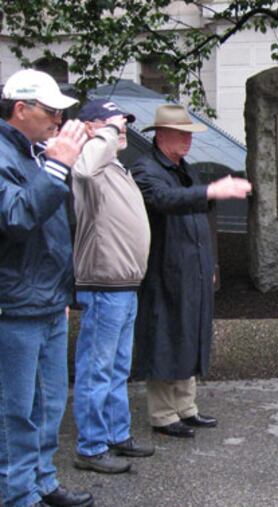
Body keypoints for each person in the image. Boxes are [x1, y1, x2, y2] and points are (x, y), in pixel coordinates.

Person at [0, 69, 93, 507]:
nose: (59, 119)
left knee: (50, 404)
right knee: (15, 411)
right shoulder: (8, 154)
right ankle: (18, 495)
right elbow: (16, 218)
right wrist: (56, 164)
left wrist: (63, 295)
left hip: (46, 301)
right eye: (52, 110)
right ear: (22, 108)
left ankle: (41, 481)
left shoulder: (36, 152)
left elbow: (55, 232)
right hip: (14, 306)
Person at [132, 104, 251, 438]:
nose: (187, 141)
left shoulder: (182, 168)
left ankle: (186, 407)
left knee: (189, 334)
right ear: (161, 135)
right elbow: (164, 200)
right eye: (181, 134)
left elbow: (196, 216)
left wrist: (209, 264)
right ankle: (164, 414)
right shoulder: (146, 169)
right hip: (165, 269)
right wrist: (211, 191)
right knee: (167, 336)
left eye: (189, 134)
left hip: (191, 267)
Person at [71, 99, 154, 474]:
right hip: (104, 284)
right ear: (90, 127)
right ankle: (90, 448)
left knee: (117, 368)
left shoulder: (114, 165)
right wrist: (105, 131)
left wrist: (109, 130)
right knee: (96, 370)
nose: (120, 129)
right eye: (109, 123)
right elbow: (85, 170)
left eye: (121, 124)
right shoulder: (90, 161)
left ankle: (116, 434)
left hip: (123, 285)